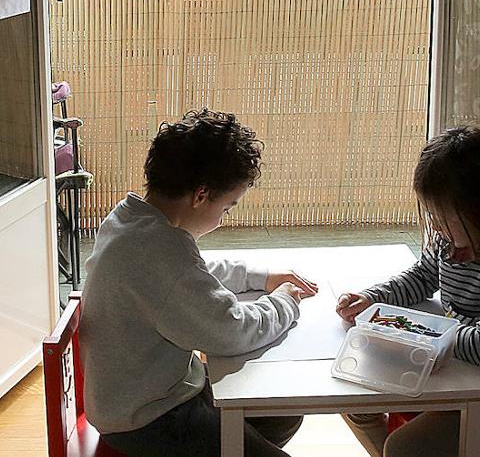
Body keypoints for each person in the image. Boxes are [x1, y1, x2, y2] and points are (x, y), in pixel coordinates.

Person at [80, 108, 319, 457]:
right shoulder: (160, 250)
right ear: (201, 195)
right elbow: (230, 331)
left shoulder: (131, 219)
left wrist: (261, 277)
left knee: (283, 413)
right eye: (227, 208)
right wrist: (284, 302)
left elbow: (190, 273)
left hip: (141, 393)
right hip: (150, 419)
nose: (223, 219)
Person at [337, 127, 480, 457]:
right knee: (357, 401)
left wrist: (421, 334)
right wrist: (374, 297)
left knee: (403, 448)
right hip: (462, 379)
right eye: (433, 217)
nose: (436, 227)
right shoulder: (453, 241)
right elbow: (423, 276)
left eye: (443, 218)